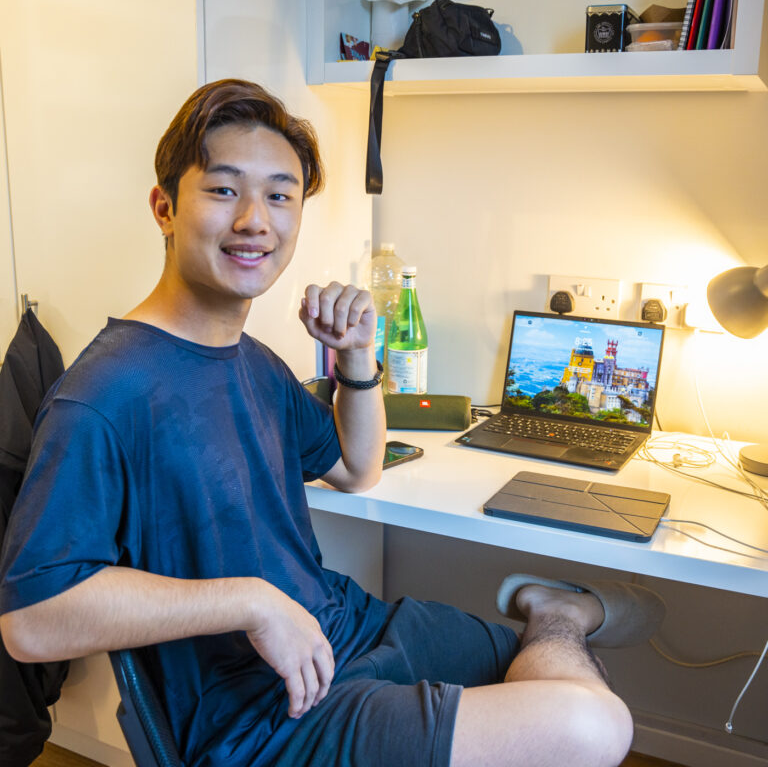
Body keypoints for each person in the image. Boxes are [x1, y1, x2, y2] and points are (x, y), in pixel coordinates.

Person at [0, 79, 661, 767]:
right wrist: (252, 602)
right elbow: (32, 621)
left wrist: (357, 357)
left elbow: (356, 467)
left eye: (280, 196)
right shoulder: (106, 393)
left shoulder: (251, 363)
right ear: (164, 208)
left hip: (344, 632)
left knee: (569, 690)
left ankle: (555, 619)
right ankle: (559, 613)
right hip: (261, 718)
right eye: (224, 190)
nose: (256, 219)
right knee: (588, 727)